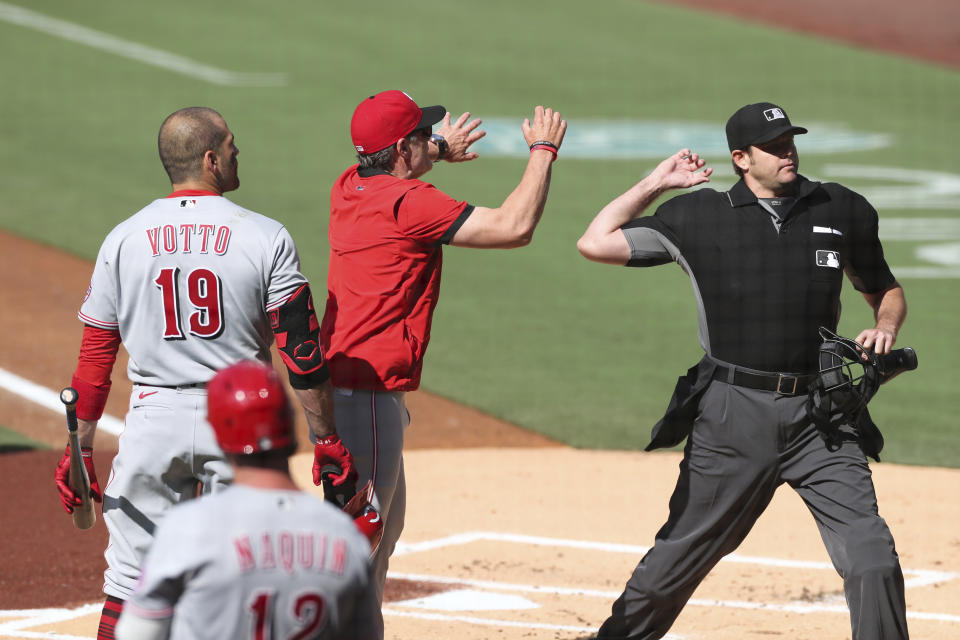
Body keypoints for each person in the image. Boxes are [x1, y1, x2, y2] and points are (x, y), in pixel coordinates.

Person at [577, 102, 908, 640]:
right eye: (774, 147)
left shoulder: (841, 208)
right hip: (733, 415)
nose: (788, 152)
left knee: (872, 557)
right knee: (676, 561)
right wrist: (657, 183)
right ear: (740, 158)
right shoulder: (698, 216)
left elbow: (885, 290)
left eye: (790, 141)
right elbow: (596, 242)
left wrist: (886, 327)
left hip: (820, 416)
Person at [53, 107, 356, 640]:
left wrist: (78, 447)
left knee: (127, 584)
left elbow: (94, 363)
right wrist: (327, 438)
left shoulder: (123, 238)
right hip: (238, 427)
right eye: (233, 145)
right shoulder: (264, 236)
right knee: (241, 578)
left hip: (153, 421)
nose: (241, 153)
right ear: (211, 159)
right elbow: (302, 354)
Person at [319, 89, 567, 632]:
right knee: (361, 543)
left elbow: (400, 162)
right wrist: (543, 152)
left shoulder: (349, 185)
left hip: (348, 387)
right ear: (403, 150)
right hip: (368, 394)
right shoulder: (412, 204)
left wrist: (434, 146)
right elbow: (513, 227)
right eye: (420, 137)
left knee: (382, 530)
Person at [114, 361, 377, 640]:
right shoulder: (346, 537)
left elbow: (137, 633)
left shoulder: (189, 528)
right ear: (289, 424)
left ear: (218, 433)